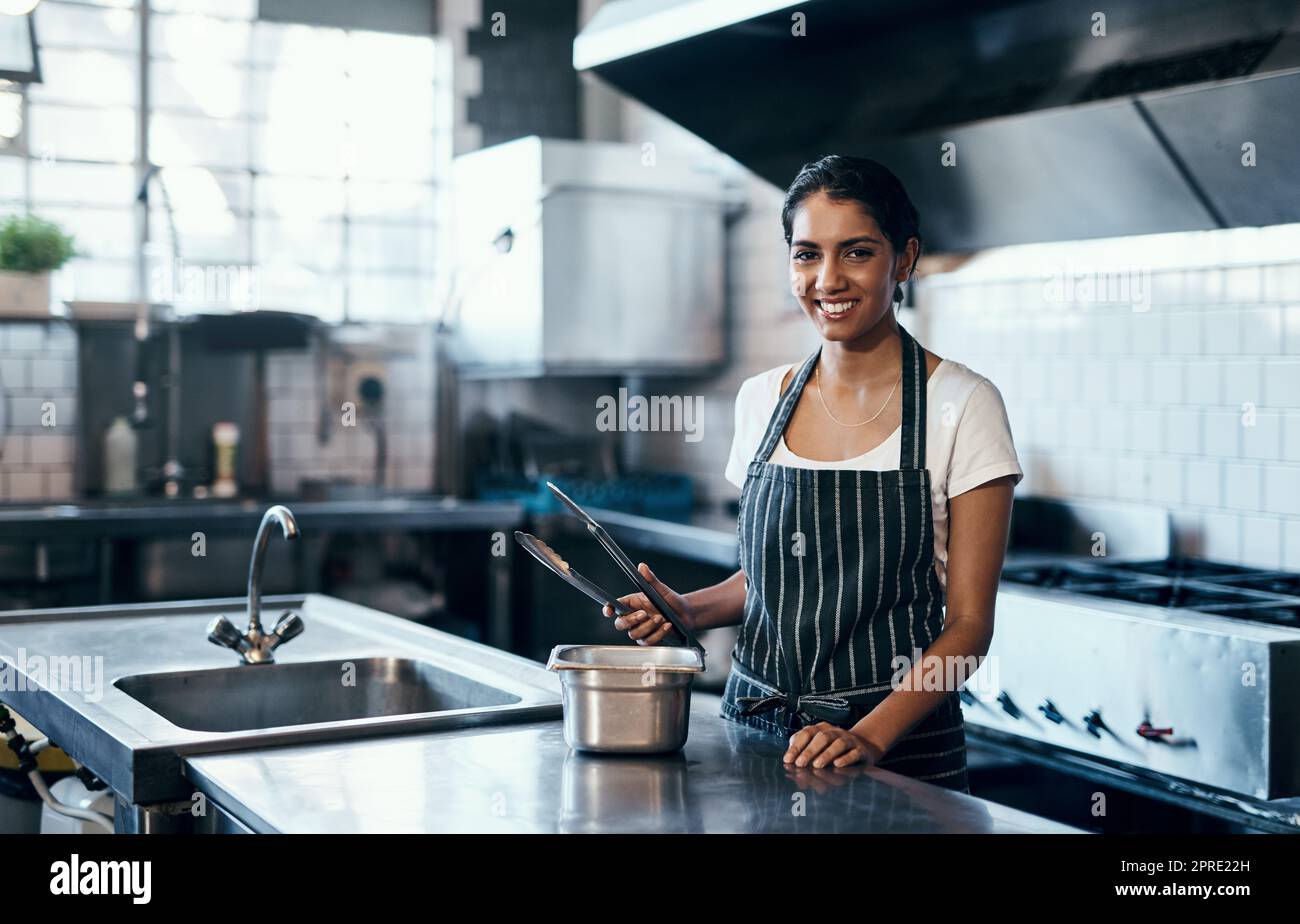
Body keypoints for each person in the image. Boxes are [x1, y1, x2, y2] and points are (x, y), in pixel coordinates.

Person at [604, 155, 1021, 793]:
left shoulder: (963, 403)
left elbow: (969, 628)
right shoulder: (761, 400)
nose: (828, 279)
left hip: (897, 756)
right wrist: (688, 609)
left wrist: (868, 736)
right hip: (758, 738)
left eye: (856, 252)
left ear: (903, 260)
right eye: (806, 255)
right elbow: (777, 582)